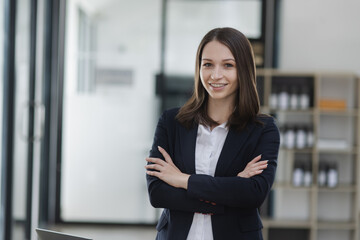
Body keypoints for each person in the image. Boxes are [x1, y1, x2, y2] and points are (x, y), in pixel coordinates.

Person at [145, 27, 280, 240]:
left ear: (243, 70)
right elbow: (158, 193)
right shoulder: (171, 122)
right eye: (208, 64)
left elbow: (254, 193)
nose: (216, 75)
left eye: (228, 65)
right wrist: (230, 189)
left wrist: (182, 179)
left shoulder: (263, 129)